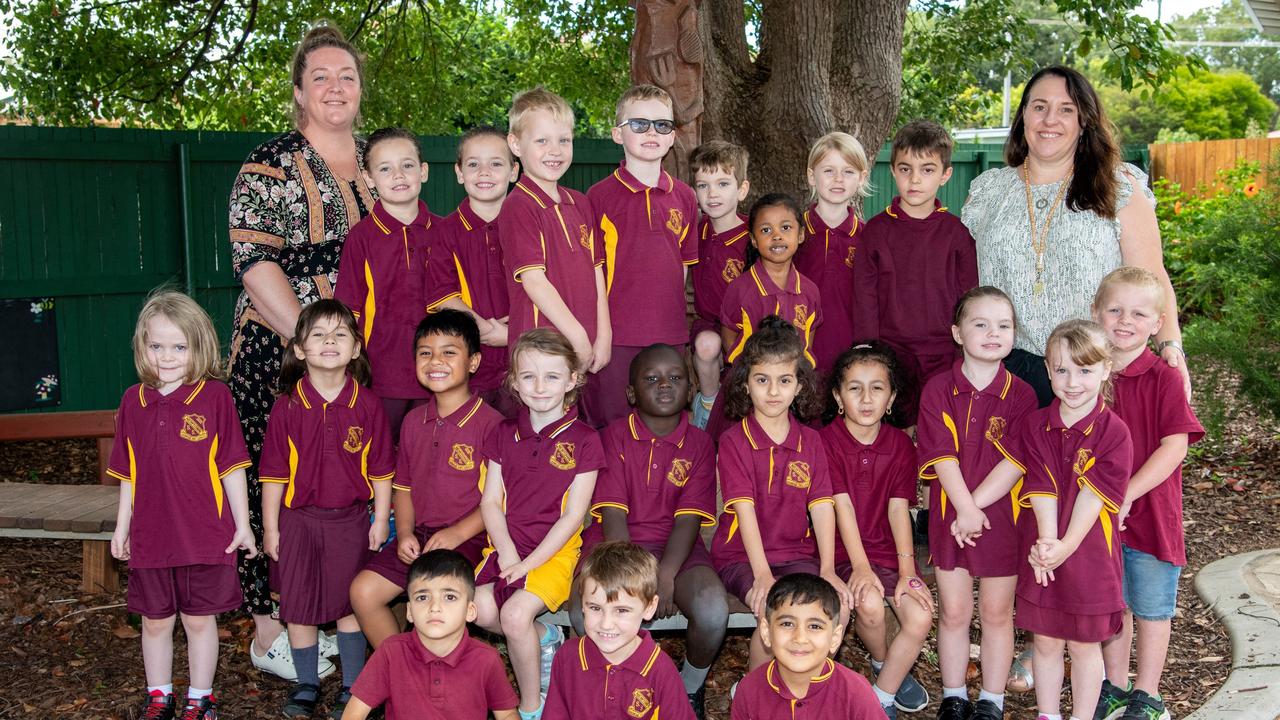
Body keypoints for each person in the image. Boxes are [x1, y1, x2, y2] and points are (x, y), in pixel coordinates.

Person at [227, 24, 374, 679]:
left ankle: (345, 617)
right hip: (278, 356)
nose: (335, 87)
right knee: (273, 484)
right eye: (321, 76)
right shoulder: (271, 163)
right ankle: (268, 632)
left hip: (361, 358)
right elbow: (254, 262)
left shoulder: (378, 161)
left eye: (346, 75)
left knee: (344, 486)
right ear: (298, 91)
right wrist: (313, 348)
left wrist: (354, 356)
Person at [961, 65, 1190, 408]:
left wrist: (1171, 345)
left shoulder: (1118, 187)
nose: (1050, 120)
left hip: (1090, 374)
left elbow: (1151, 278)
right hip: (1004, 378)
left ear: (1084, 121)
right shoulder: (988, 192)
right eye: (1039, 107)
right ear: (1023, 115)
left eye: (1066, 109)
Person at [962, 319, 1133, 720]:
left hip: (1088, 554)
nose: (1072, 382)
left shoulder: (1114, 433)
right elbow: (1034, 484)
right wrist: (971, 506)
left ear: (1106, 369)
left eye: (1085, 370)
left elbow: (1093, 498)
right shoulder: (1037, 424)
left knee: (1084, 646)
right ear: (1048, 370)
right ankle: (1049, 714)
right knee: (1046, 642)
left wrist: (1064, 546)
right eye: (1061, 370)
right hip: (1042, 548)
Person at [109, 290, 256, 720]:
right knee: (154, 621)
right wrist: (122, 527)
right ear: (142, 347)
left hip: (203, 534)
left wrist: (242, 525)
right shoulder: (132, 402)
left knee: (197, 620)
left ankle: (200, 698)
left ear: (199, 346)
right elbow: (127, 473)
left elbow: (232, 467)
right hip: (152, 536)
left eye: (179, 346)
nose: (167, 356)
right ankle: (159, 697)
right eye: (157, 346)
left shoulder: (214, 398)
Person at [572, 344, 726, 718]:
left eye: (675, 377)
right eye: (651, 378)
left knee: (712, 611)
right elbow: (612, 516)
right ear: (630, 393)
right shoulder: (611, 437)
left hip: (677, 547)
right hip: (614, 546)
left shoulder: (701, 444)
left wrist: (667, 574)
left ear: (690, 389)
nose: (664, 385)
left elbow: (688, 519)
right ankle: (613, 682)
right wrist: (635, 581)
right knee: (582, 612)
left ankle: (688, 687)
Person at [258, 300, 395, 718]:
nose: (329, 341)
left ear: (356, 348)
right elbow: (274, 475)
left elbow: (383, 471)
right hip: (298, 520)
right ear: (299, 349)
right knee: (299, 605)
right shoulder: (288, 405)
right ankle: (306, 684)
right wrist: (271, 528)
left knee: (348, 603)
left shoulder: (368, 405)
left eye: (340, 334)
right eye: (318, 334)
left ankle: (353, 684)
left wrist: (380, 517)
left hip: (352, 520)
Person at [349, 310, 502, 649]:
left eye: (450, 352)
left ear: (474, 362)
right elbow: (403, 488)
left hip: (472, 541)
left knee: (436, 602)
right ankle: (404, 673)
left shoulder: (492, 425)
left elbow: (500, 500)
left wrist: (457, 533)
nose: (436, 360)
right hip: (419, 537)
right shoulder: (414, 421)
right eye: (425, 352)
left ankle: (440, 678)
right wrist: (403, 533)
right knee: (363, 592)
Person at [472, 328, 605, 720]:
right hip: (506, 548)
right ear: (514, 382)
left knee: (514, 617)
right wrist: (509, 554)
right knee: (476, 610)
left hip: (554, 553)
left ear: (572, 380)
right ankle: (546, 639)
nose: (540, 386)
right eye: (528, 376)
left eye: (551, 376)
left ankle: (531, 707)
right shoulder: (502, 434)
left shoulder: (585, 441)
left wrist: (527, 566)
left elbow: (573, 516)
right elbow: (490, 502)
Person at [918, 287, 1038, 720]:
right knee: (953, 611)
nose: (993, 333)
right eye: (980, 324)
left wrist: (975, 508)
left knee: (995, 611)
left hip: (1001, 517)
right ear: (957, 332)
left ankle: (991, 700)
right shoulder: (938, 390)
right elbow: (942, 457)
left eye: (1003, 326)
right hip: (950, 516)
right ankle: (953, 695)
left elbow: (1015, 462)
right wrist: (964, 510)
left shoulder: (1022, 395)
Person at [1091, 268, 1202, 720]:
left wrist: (1128, 493)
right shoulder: (1087, 377)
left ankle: (1148, 694)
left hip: (1152, 510)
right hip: (1094, 513)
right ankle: (1114, 687)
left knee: (1153, 607)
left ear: (1157, 323)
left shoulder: (1163, 378)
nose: (1124, 320)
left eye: (1138, 313)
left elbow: (1175, 446)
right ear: (1096, 312)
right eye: (1114, 309)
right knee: (1112, 603)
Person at [710, 317, 849, 671]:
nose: (773, 392)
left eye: (784, 381)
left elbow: (821, 507)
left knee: (833, 605)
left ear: (800, 386)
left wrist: (830, 570)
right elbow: (744, 511)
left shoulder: (811, 441)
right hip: (742, 556)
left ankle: (804, 689)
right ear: (745, 385)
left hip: (796, 555)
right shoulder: (734, 442)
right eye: (762, 380)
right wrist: (760, 575)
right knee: (776, 613)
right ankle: (758, 697)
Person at [821, 343, 932, 718]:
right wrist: (861, 567)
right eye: (854, 388)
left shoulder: (901, 445)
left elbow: (899, 509)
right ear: (838, 396)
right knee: (868, 603)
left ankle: (879, 698)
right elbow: (842, 507)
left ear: (892, 397)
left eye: (877, 388)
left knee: (919, 615)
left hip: (887, 548)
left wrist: (907, 573)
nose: (866, 398)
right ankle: (887, 664)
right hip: (840, 549)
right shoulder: (826, 442)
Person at [584, 84, 698, 427]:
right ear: (618, 134)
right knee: (611, 427)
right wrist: (600, 335)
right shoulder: (598, 197)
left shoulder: (685, 197)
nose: (652, 132)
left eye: (662, 125)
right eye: (639, 124)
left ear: (673, 136)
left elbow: (681, 269)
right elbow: (592, 272)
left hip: (669, 333)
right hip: (615, 337)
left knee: (663, 428)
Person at [854, 120, 978, 426]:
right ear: (893, 170)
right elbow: (864, 296)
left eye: (927, 169)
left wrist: (964, 352)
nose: (915, 180)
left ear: (945, 175)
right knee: (897, 434)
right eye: (906, 168)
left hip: (943, 352)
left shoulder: (957, 233)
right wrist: (870, 352)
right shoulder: (876, 231)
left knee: (940, 430)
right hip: (892, 354)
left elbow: (969, 298)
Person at [498, 87, 610, 377]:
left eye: (564, 140)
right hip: (542, 346)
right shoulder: (518, 206)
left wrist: (604, 333)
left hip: (585, 341)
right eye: (542, 140)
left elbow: (597, 270)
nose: (555, 150)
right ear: (515, 144)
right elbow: (534, 282)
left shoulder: (581, 203)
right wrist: (579, 338)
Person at [334, 127, 434, 439]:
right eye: (385, 168)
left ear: (423, 171)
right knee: (377, 462)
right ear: (369, 178)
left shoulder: (445, 232)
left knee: (427, 462)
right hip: (381, 374)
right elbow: (348, 310)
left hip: (439, 373)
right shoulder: (361, 238)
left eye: (407, 165)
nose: (398, 175)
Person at [341, 550, 520, 720]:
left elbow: (506, 714)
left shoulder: (486, 659)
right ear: (409, 612)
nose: (434, 607)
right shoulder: (391, 652)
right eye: (422, 597)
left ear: (470, 610)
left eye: (449, 597)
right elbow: (355, 712)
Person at [544, 542, 696, 720]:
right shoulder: (567, 657)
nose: (606, 624)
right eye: (595, 607)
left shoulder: (660, 670)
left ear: (649, 607)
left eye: (621, 610)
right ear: (582, 604)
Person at [426, 126, 520, 414]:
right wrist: (486, 330)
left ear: (514, 171)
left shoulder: (528, 227)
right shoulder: (443, 231)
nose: (484, 172)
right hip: (468, 368)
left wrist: (515, 334)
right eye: (473, 164)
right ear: (459, 172)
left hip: (524, 363)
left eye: (495, 163)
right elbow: (442, 296)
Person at [730, 573, 883, 719]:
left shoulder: (856, 693)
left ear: (835, 638)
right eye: (787, 624)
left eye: (815, 626)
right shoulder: (749, 689)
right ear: (766, 632)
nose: (800, 638)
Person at [795, 131, 871, 374]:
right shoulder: (792, 232)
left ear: (862, 178)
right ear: (811, 176)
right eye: (828, 170)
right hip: (796, 353)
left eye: (848, 171)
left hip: (850, 355)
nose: (838, 179)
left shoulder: (869, 238)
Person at [687, 140, 750, 428]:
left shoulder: (753, 235)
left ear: (742, 189)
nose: (712, 194)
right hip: (710, 322)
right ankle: (707, 402)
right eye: (703, 185)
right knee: (707, 345)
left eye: (723, 184)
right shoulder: (694, 230)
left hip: (746, 325)